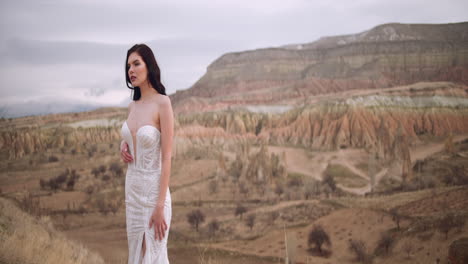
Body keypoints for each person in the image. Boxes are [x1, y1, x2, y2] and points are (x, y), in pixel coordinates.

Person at [120, 43, 173, 264]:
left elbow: (167, 157)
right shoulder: (133, 106)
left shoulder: (163, 103)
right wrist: (124, 145)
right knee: (136, 256)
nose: (130, 70)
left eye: (136, 64)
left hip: (154, 196)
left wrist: (159, 206)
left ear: (149, 66)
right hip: (132, 193)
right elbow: (133, 136)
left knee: (154, 256)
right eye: (128, 66)